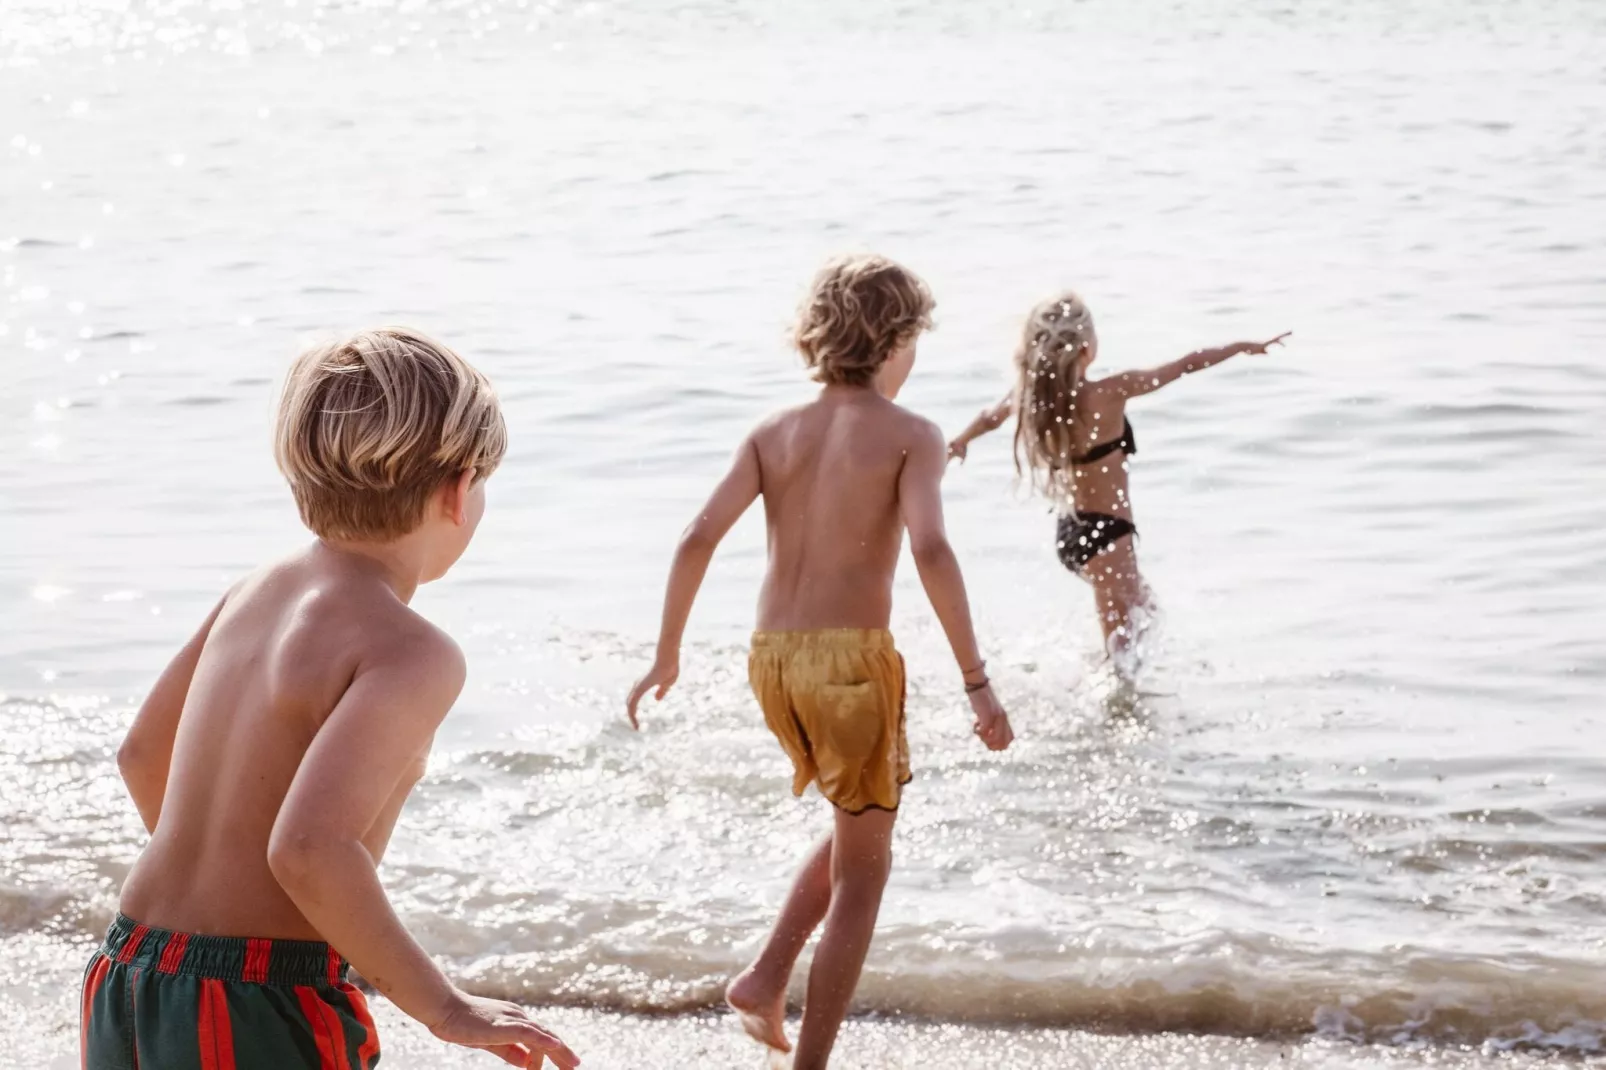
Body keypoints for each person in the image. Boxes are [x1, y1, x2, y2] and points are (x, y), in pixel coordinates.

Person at [84, 329, 579, 1070]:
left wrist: (222, 892)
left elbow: (142, 753)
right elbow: (311, 849)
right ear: (458, 488)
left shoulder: (253, 591)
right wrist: (444, 1007)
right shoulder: (414, 651)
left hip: (129, 967)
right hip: (256, 994)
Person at [626, 254, 1014, 1070]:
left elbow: (695, 537)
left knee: (854, 823)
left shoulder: (773, 432)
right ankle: (810, 1065)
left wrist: (667, 656)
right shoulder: (913, 436)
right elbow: (934, 549)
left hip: (772, 663)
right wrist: (978, 682)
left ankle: (765, 980)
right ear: (896, 341)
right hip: (849, 668)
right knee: (867, 875)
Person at [948, 291, 1289, 661]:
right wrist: (1240, 347)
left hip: (1072, 532)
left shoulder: (1034, 398)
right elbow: (1184, 365)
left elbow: (989, 418)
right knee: (1124, 649)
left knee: (1143, 619)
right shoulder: (1109, 392)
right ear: (1086, 348)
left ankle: (1106, 699)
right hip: (1108, 533)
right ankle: (1103, 703)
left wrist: (960, 442)